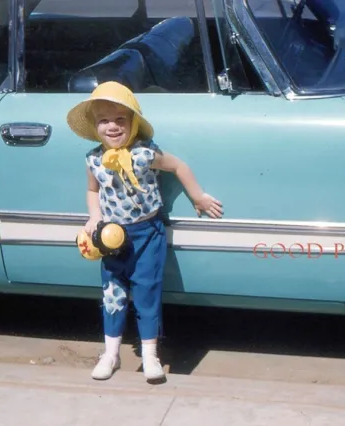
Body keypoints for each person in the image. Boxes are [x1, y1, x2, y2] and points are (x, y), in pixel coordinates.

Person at [66, 81, 223, 383]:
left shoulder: (145, 153)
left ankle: (150, 355)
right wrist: (94, 216)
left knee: (147, 293)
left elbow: (178, 166)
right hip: (111, 238)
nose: (112, 126)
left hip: (147, 234)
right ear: (95, 125)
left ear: (133, 122)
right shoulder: (93, 159)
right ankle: (110, 354)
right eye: (103, 120)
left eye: (120, 119)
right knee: (112, 294)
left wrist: (198, 196)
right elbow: (92, 189)